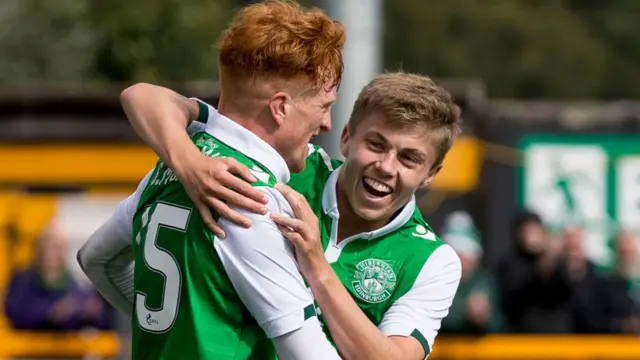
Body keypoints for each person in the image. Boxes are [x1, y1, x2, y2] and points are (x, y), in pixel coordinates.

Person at [108, 71, 463, 359]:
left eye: (409, 158)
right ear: (345, 138)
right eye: (376, 144)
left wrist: (317, 268)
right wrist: (188, 161)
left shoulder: (432, 260)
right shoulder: (286, 167)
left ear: (431, 173)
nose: (386, 167)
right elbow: (144, 96)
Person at [78, 1, 345, 359]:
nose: (326, 124)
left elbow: (96, 259)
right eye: (323, 107)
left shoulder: (173, 163)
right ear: (280, 107)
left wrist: (173, 328)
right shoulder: (248, 197)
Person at [5, 221, 112, 331]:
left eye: (56, 247)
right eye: (46, 246)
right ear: (38, 249)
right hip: (28, 345)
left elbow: (101, 321)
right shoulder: (22, 282)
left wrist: (91, 313)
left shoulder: (74, 286)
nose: (50, 252)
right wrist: (51, 313)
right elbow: (16, 313)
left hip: (67, 347)